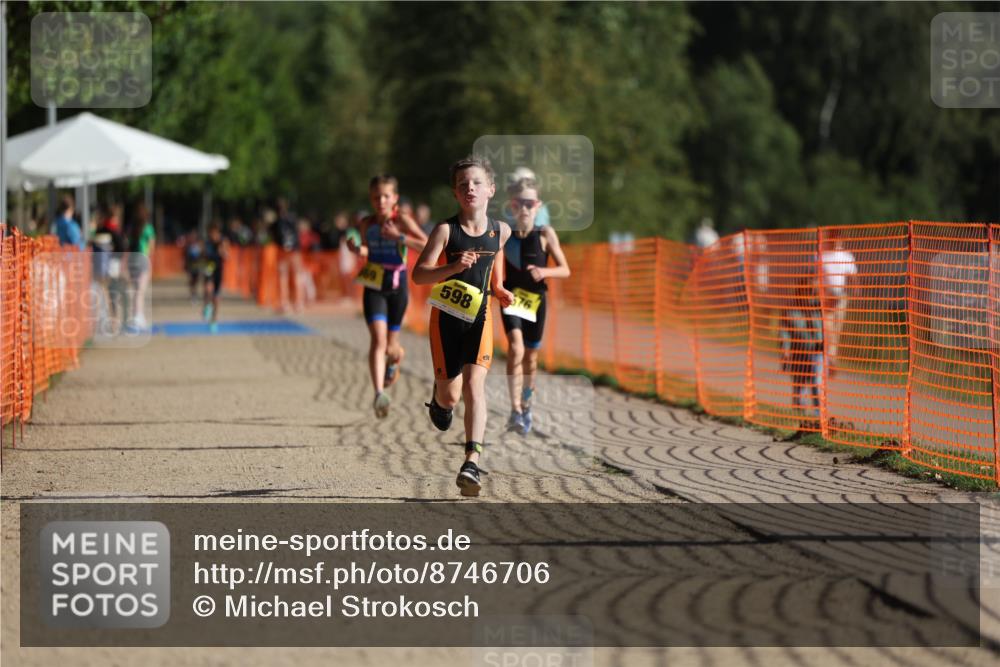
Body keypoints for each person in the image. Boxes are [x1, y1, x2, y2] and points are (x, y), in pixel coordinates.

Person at [413, 156, 514, 497]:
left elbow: (496, 255)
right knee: (451, 396)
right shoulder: (446, 231)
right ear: (455, 193)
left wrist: (499, 287)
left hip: (480, 319)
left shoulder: (501, 231)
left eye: (476, 183)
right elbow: (419, 275)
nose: (470, 188)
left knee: (475, 386)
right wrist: (452, 268)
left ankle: (472, 461)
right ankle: (439, 401)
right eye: (462, 184)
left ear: (490, 190)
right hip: (446, 320)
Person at [348, 175, 428, 419]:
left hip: (397, 286)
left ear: (394, 198)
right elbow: (368, 248)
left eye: (385, 196)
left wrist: (399, 237)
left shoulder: (401, 220)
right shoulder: (367, 223)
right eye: (376, 197)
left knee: (392, 348)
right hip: (374, 284)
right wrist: (357, 249)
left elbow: (426, 244)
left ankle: (395, 359)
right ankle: (379, 393)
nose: (380, 201)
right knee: (378, 340)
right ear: (371, 199)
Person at [500, 177, 570, 435]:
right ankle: (515, 410)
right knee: (515, 349)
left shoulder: (545, 234)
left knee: (531, 358)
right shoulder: (504, 233)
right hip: (511, 298)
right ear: (512, 205)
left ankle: (526, 404)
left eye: (530, 203)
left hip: (536, 301)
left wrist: (544, 271)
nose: (524, 208)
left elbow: (565, 269)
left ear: (538, 205)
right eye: (519, 203)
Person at [779, 280, 824, 428]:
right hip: (799, 352)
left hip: (817, 351)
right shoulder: (791, 310)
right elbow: (784, 333)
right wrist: (785, 351)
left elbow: (828, 326)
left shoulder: (819, 307)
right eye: (808, 290)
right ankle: (800, 416)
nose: (811, 294)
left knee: (817, 383)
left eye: (813, 291)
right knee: (800, 385)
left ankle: (819, 416)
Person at [819, 235, 857, 372]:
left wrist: (855, 290)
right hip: (826, 297)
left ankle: (831, 358)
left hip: (841, 297)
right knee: (827, 328)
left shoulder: (847, 256)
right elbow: (818, 275)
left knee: (836, 329)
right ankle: (828, 359)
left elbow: (852, 276)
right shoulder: (824, 255)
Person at [125, 202, 156, 332]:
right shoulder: (148, 228)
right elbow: (151, 245)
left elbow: (127, 244)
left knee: (135, 289)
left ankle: (136, 316)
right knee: (140, 290)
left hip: (132, 259)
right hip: (142, 258)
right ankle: (138, 317)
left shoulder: (131, 228)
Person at [202, 223, 230, 332]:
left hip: (219, 269)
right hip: (210, 266)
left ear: (218, 233)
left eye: (215, 233)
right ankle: (207, 305)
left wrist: (222, 251)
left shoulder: (223, 241)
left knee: (216, 298)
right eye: (211, 233)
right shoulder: (207, 242)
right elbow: (203, 254)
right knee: (208, 288)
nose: (213, 236)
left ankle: (214, 320)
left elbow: (227, 256)